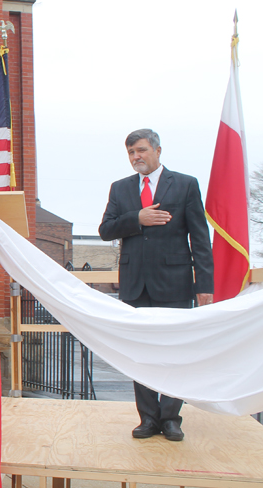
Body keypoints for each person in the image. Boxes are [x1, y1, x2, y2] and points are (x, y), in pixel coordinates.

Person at [99, 128, 214, 442]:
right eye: (131, 152)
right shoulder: (120, 189)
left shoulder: (186, 185)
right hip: (135, 286)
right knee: (141, 355)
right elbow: (106, 230)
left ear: (157, 150)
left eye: (141, 150)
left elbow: (200, 240)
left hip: (175, 284)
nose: (136, 157)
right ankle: (148, 419)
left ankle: (171, 418)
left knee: (175, 353)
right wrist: (137, 217)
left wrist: (204, 284)